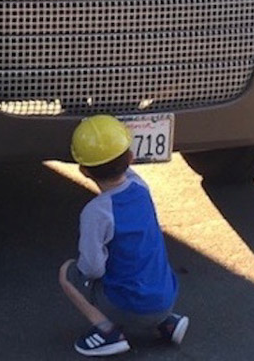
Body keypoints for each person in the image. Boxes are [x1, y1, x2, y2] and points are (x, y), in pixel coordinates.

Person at [58, 114, 189, 356]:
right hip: (166, 298)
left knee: (68, 273)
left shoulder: (96, 212)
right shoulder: (141, 188)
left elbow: (93, 267)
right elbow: (126, 172)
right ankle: (166, 323)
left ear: (84, 171)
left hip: (130, 309)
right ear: (131, 157)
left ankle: (107, 331)